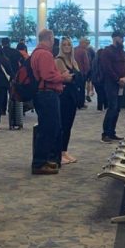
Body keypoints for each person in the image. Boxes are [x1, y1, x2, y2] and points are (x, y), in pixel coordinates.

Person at [30, 28, 66, 174]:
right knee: (49, 128)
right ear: (49, 38)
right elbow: (48, 75)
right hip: (47, 95)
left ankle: (43, 160)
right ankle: (39, 163)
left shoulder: (36, 53)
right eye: (53, 39)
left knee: (47, 127)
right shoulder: (45, 54)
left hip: (42, 94)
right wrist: (63, 77)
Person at [99, 32, 125, 143]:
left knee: (117, 109)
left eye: (122, 37)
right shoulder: (107, 51)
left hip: (121, 83)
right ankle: (105, 133)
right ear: (114, 38)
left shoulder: (122, 52)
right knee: (112, 108)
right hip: (111, 84)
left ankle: (112, 132)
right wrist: (117, 79)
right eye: (120, 37)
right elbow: (107, 68)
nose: (121, 39)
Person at [55, 37, 80, 164]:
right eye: (64, 45)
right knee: (63, 125)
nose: (66, 47)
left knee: (69, 125)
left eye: (68, 44)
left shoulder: (74, 61)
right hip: (64, 96)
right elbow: (66, 78)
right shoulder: (59, 60)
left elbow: (76, 78)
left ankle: (64, 151)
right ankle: (59, 152)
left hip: (73, 96)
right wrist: (69, 78)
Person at [73, 36, 91, 107]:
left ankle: (75, 102)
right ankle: (81, 104)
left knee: (75, 88)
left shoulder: (74, 49)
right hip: (81, 73)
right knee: (82, 89)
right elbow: (86, 63)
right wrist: (87, 72)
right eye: (86, 44)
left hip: (74, 72)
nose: (87, 45)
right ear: (82, 43)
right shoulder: (83, 51)